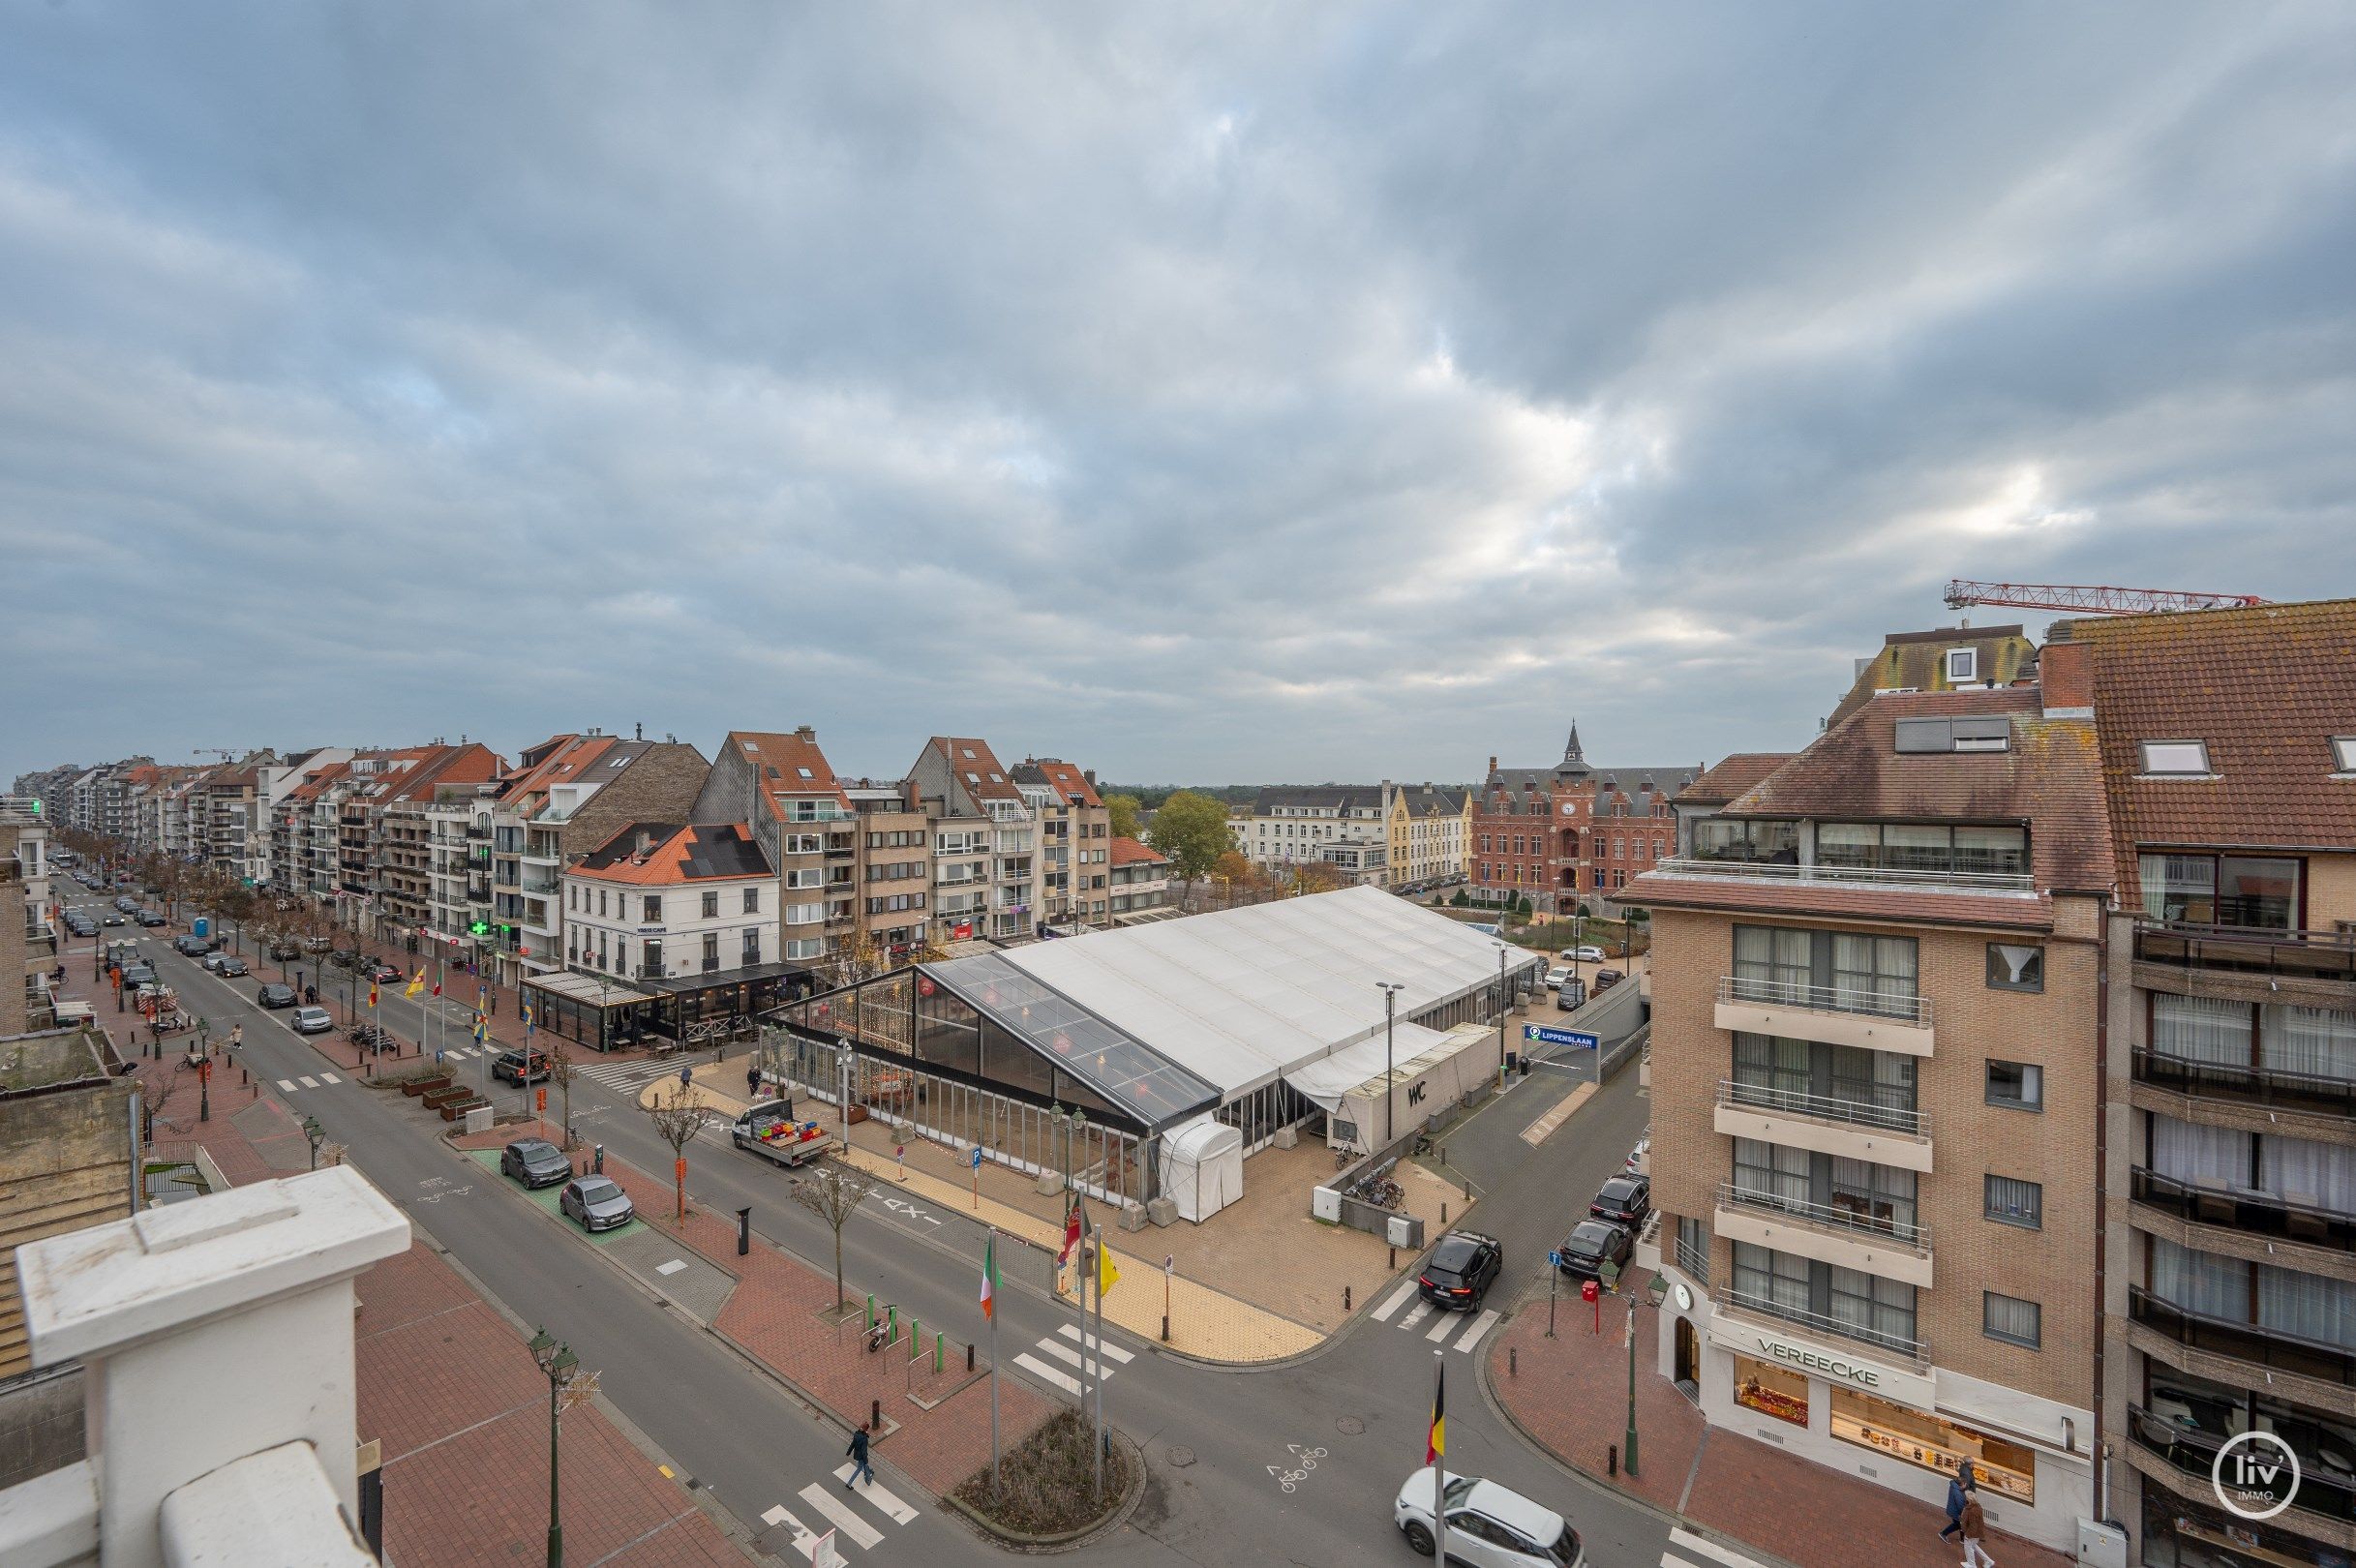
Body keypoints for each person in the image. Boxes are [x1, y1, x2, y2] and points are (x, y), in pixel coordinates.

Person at [1939, 1462, 1975, 1544]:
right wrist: (1964, 1513)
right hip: (1956, 1512)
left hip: (1952, 1509)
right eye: (1965, 1484)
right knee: (1958, 1524)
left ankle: (1962, 1539)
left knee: (1960, 1524)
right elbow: (1960, 1506)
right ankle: (1943, 1534)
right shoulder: (1958, 1493)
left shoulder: (1954, 1487)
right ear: (1961, 1484)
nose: (1966, 1486)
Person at [1959, 1491, 1994, 1568]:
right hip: (1977, 1532)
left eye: (1966, 1497)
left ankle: (1971, 1564)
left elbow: (1973, 1525)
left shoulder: (1971, 1510)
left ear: (1969, 1500)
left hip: (1972, 1533)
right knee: (1974, 1546)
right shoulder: (1977, 1507)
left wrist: (1968, 1535)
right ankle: (1988, 1561)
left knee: (1968, 1547)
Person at [844, 1422, 874, 1489]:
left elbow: (852, 1444)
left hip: (856, 1454)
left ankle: (870, 1470)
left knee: (862, 1465)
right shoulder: (864, 1439)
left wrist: (848, 1453)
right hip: (861, 1456)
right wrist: (866, 1461)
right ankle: (849, 1483)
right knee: (859, 1468)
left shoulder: (856, 1434)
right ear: (866, 1430)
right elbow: (863, 1451)